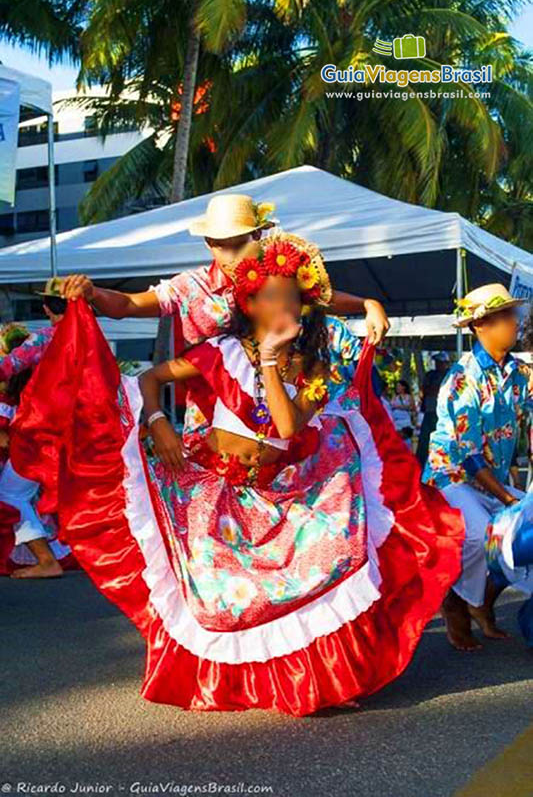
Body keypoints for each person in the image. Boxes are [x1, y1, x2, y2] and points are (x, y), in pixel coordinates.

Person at [11, 234, 464, 716]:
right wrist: (158, 421)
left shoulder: (310, 366)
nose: (280, 305)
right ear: (248, 303)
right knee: (222, 594)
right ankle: (235, 682)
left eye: (290, 298)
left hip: (285, 488)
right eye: (269, 297)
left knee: (319, 564)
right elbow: (149, 377)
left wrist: (272, 356)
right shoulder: (218, 349)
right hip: (220, 487)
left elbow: (287, 429)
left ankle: (320, 682)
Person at [59, 194, 391, 346]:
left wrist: (369, 304)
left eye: (238, 241)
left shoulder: (281, 277)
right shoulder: (191, 287)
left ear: (257, 235)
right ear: (207, 242)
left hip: (281, 412)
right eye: (219, 243)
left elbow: (323, 298)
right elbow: (128, 305)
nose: (229, 252)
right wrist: (93, 292)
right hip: (215, 420)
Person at [423, 284, 533, 651]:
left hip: (492, 481)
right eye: (506, 316)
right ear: (481, 325)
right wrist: (508, 500)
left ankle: (483, 599)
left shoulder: (518, 373)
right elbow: (468, 456)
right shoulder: (462, 378)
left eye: (513, 315)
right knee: (478, 535)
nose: (515, 323)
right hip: (452, 477)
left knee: (522, 533)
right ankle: (456, 604)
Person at [0, 285, 72, 578]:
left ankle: (46, 560)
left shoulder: (45, 339)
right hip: (83, 433)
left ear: (46, 308)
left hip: (44, 432)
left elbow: (7, 367)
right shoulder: (94, 341)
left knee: (9, 493)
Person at [416, 352, 450, 466]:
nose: (437, 365)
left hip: (443, 413)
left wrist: (435, 390)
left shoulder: (449, 375)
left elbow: (441, 390)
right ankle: (420, 463)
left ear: (446, 363)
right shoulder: (430, 375)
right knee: (425, 440)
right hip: (429, 410)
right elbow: (425, 389)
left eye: (440, 362)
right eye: (436, 362)